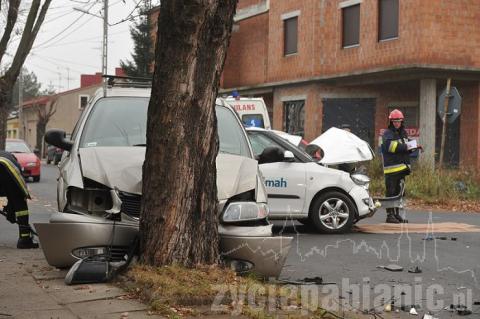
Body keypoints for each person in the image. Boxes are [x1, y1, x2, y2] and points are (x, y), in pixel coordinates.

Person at [381, 109, 422, 224]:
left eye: (398, 121)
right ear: (391, 122)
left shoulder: (403, 133)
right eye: (394, 121)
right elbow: (391, 147)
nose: (396, 123)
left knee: (400, 193)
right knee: (391, 192)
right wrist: (406, 146)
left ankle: (397, 214)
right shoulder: (387, 134)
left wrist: (414, 146)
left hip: (402, 169)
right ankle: (390, 215)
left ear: (402, 121)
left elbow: (405, 148)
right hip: (391, 170)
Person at [0, 150, 39, 249]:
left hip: (4, 171)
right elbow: (14, 194)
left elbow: (4, 194)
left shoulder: (5, 158)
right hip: (5, 170)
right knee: (20, 205)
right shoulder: (12, 163)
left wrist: (9, 210)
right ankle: (24, 240)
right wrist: (10, 211)